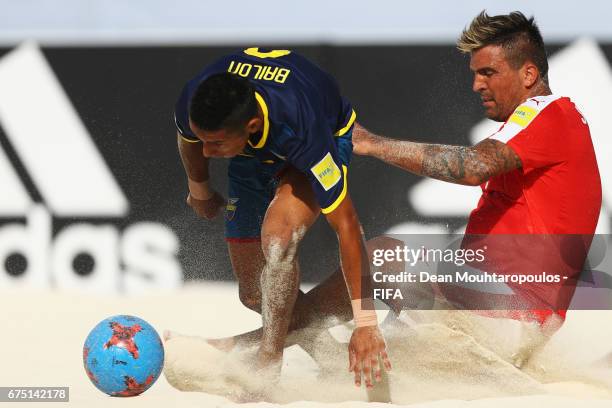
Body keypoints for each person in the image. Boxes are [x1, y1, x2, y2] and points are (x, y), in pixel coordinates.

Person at [352, 11, 602, 331]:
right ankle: (307, 331)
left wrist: (371, 144)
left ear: (528, 74)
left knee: (380, 254)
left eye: (487, 73)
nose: (476, 85)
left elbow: (472, 168)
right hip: (511, 309)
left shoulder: (545, 114)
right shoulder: (556, 123)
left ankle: (301, 328)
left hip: (507, 305)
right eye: (475, 73)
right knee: (393, 320)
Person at [174, 47, 390, 387]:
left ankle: (267, 363)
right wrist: (199, 188)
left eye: (214, 143)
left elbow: (348, 226)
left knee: (278, 240)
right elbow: (188, 140)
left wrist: (366, 324)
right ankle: (331, 359)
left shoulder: (304, 132)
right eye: (204, 139)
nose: (206, 151)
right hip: (250, 153)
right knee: (256, 295)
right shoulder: (196, 98)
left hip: (321, 137)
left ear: (252, 125)